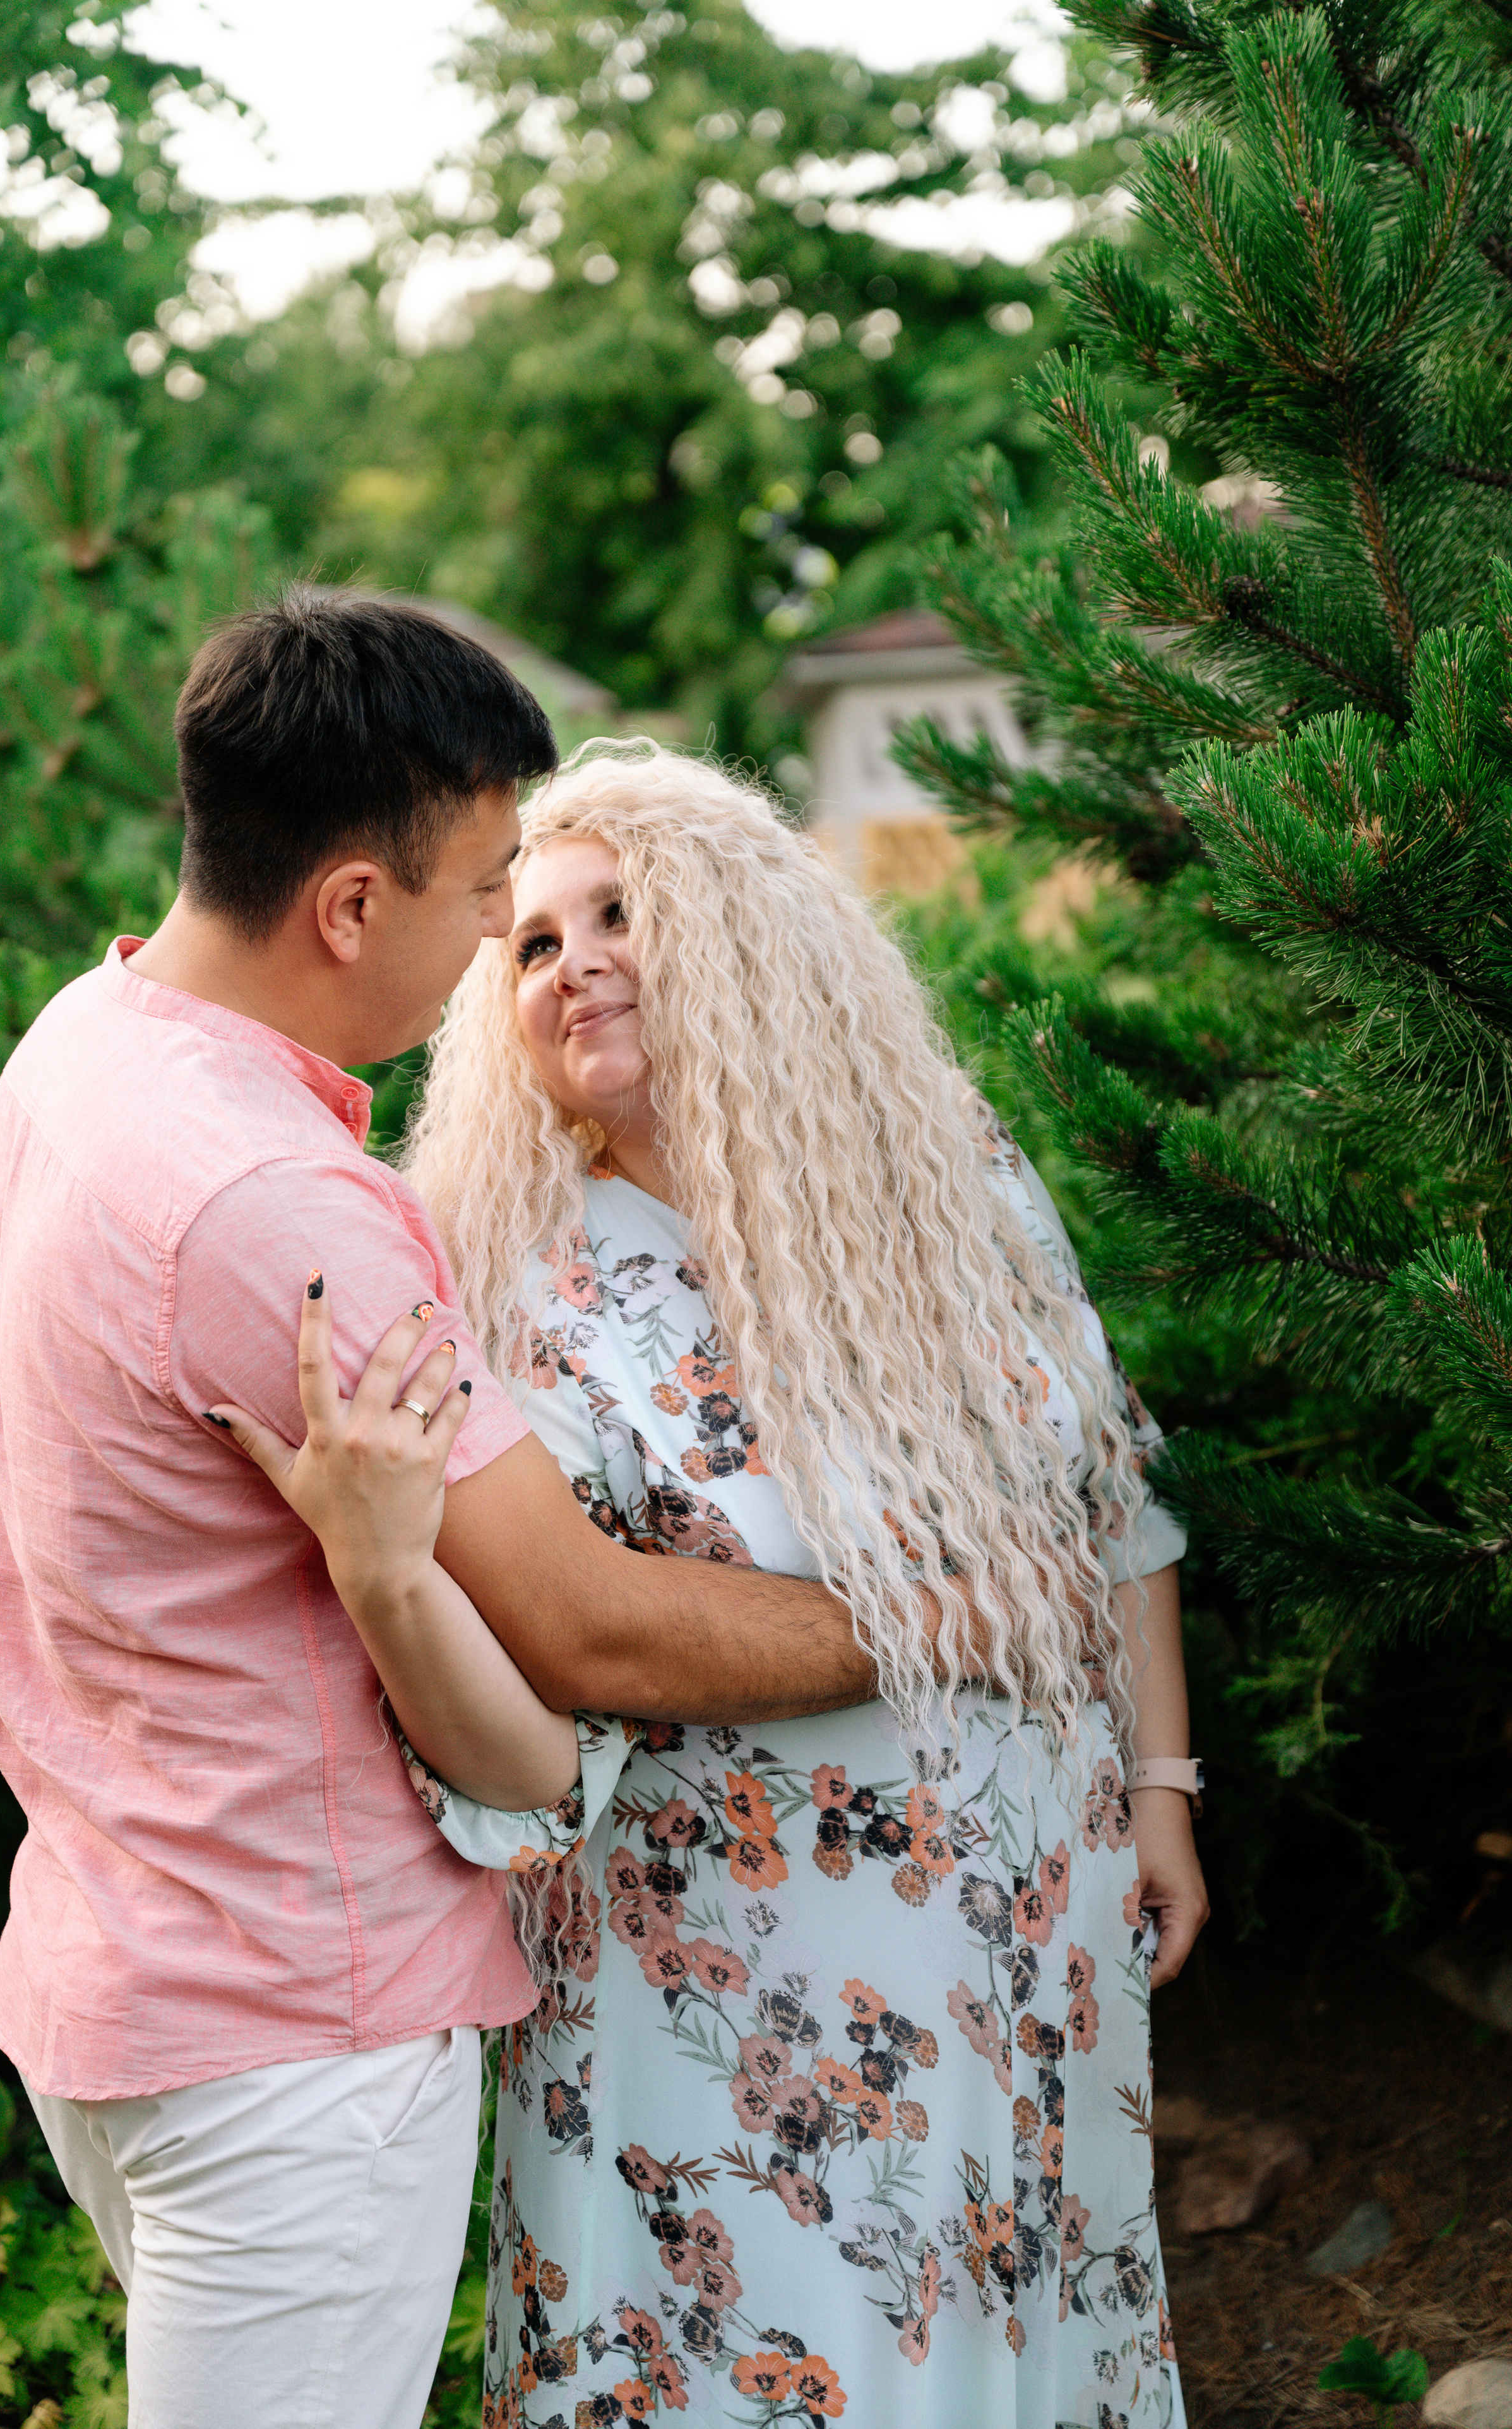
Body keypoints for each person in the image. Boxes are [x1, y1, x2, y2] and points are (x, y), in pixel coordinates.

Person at [0, 602, 910, 2429]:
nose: (503, 940)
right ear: (346, 908)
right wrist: (938, 1629)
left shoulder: (80, 1049)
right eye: (486, 893)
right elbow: (582, 1631)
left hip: (131, 1967)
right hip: (295, 2041)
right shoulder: (285, 1206)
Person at [222, 745, 1208, 2428]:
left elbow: (1111, 1496)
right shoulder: (501, 1279)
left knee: (1002, 2349)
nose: (574, 958)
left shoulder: (943, 1177)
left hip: (1016, 1926)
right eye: (530, 940)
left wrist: (1165, 1793)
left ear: (747, 940)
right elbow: (559, 1643)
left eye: (623, 912)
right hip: (713, 1997)